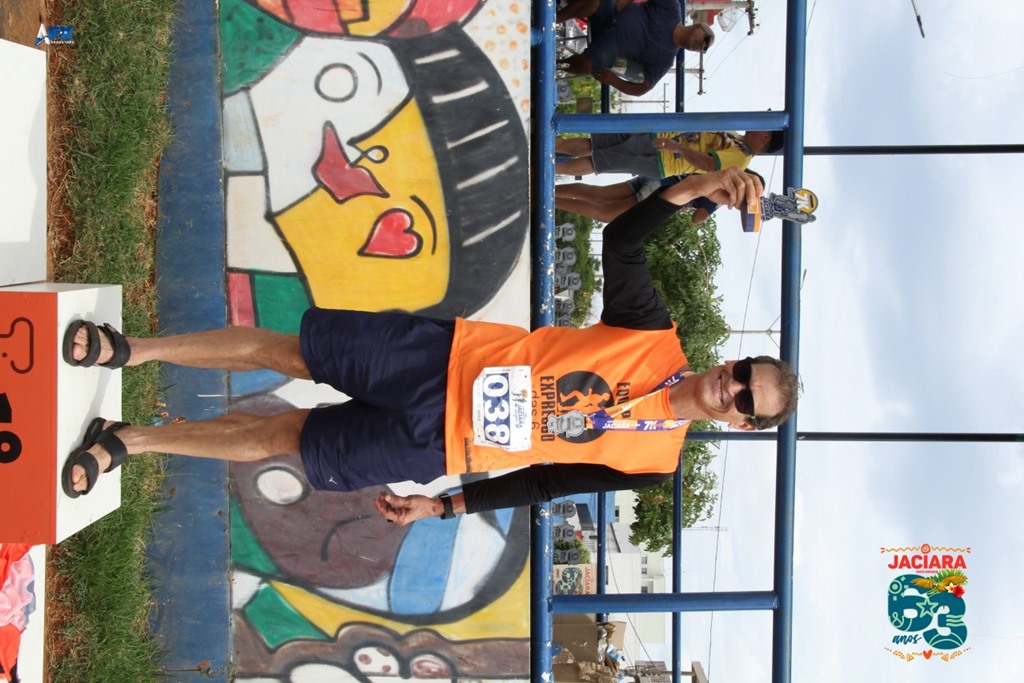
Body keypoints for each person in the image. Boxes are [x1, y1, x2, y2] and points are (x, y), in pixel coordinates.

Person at [60, 168, 799, 525]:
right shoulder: (653, 332)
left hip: (438, 444)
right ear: (730, 360)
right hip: (439, 358)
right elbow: (623, 241)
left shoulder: (654, 463)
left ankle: (133, 439)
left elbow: (545, 483)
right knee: (289, 354)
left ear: (741, 424)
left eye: (746, 400)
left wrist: (443, 508)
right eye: (743, 372)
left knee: (284, 438)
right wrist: (697, 186)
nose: (732, 386)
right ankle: (135, 350)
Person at [557, 0, 714, 96]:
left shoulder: (666, 60)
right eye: (706, 39)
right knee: (595, 2)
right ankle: (552, 21)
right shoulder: (673, 8)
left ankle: (556, 64)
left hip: (612, 46)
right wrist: (623, 2)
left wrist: (613, 80)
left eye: (705, 49)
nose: (702, 46)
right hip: (613, 12)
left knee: (589, 65)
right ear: (699, 26)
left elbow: (644, 88)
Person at [556, 170, 766, 225]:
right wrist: (719, 204)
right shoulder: (718, 194)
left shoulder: (719, 171)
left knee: (598, 193)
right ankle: (551, 201)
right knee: (605, 213)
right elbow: (697, 218)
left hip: (657, 178)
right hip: (658, 193)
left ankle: (551, 191)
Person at [557, 130, 784, 179]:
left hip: (663, 158)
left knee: (599, 161)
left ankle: (551, 169)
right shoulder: (736, 138)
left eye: (764, 124)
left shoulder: (741, 157)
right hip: (660, 137)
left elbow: (711, 165)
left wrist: (678, 148)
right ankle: (549, 145)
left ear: (766, 137)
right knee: (595, 143)